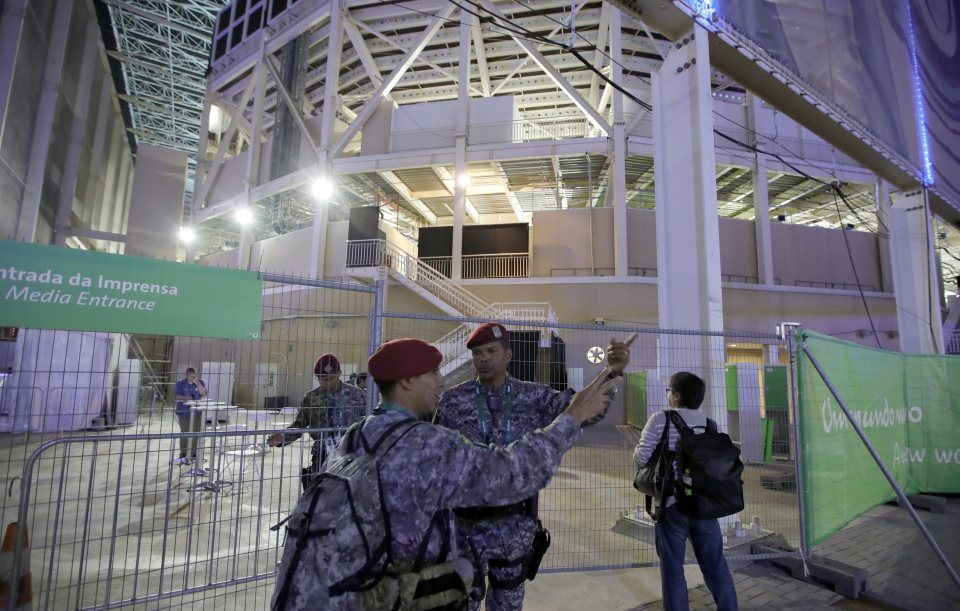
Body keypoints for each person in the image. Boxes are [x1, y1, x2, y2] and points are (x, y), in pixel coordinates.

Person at [272, 338, 622, 609]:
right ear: (408, 381)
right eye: (434, 373)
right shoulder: (424, 444)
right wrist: (570, 422)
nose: (442, 381)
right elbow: (512, 472)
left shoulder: (358, 435)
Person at [436, 323, 634, 610]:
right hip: (465, 528)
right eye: (478, 353)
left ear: (508, 354)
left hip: (515, 528)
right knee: (460, 602)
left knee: (507, 603)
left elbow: (582, 410)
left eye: (492, 351)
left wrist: (612, 371)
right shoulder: (452, 401)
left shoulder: (535, 397)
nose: (484, 359)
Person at [633, 371, 738, 611]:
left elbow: (641, 459)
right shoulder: (710, 424)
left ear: (677, 395)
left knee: (672, 570)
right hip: (706, 507)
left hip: (672, 507)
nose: (668, 395)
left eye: (669, 391)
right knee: (715, 565)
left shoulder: (661, 419)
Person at [267, 353, 366, 489]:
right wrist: (283, 438)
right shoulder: (311, 398)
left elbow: (370, 424)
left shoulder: (358, 396)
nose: (328, 383)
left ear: (340, 373)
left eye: (332, 378)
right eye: (323, 379)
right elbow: (299, 426)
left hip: (351, 457)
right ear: (317, 378)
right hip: (322, 457)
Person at [173, 367, 207, 465]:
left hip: (197, 412)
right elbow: (177, 396)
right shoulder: (180, 383)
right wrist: (187, 398)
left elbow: (203, 393)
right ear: (186, 375)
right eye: (189, 376)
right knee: (185, 432)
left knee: (197, 431)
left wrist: (198, 384)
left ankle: (194, 453)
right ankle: (184, 454)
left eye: (193, 376)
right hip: (184, 412)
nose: (191, 378)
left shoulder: (200, 382)